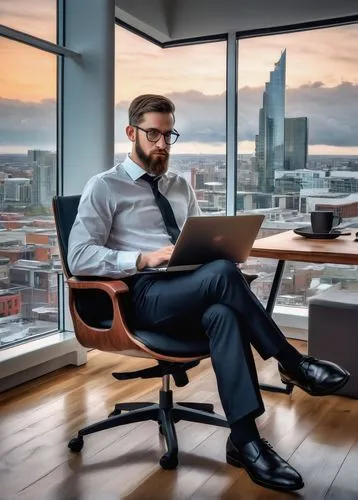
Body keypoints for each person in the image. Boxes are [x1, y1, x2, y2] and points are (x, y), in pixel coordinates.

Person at [68, 94, 349, 492]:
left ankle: (245, 440)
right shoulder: (105, 187)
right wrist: (143, 258)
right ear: (132, 133)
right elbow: (79, 255)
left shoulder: (180, 186)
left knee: (224, 312)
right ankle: (291, 363)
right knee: (219, 275)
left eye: (169, 135)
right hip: (139, 298)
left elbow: (200, 241)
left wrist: (222, 252)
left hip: (186, 288)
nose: (162, 144)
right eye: (153, 134)